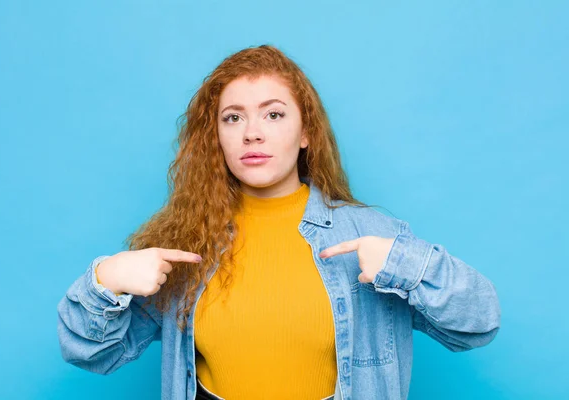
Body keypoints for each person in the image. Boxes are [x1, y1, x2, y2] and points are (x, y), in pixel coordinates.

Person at [57, 44, 501, 400]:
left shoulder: (370, 236)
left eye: (274, 114)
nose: (253, 132)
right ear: (217, 138)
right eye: (234, 118)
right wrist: (105, 279)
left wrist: (405, 263)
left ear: (305, 133)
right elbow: (91, 354)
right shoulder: (187, 244)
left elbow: (478, 324)